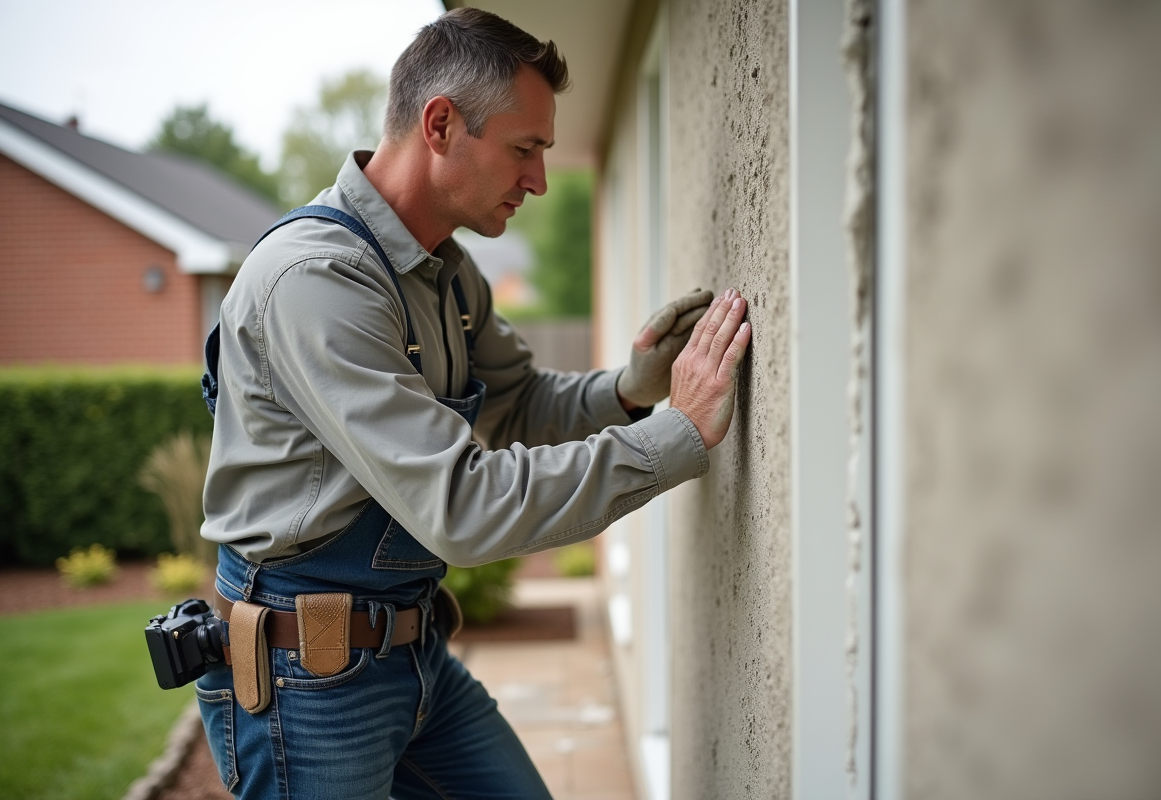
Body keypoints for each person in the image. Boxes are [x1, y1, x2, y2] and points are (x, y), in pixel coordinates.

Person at [197, 7, 752, 799]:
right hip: (307, 683)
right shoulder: (316, 282)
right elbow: (460, 506)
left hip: (413, 650)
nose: (540, 181)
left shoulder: (447, 272)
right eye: (525, 149)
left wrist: (632, 389)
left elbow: (519, 403)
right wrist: (677, 435)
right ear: (440, 125)